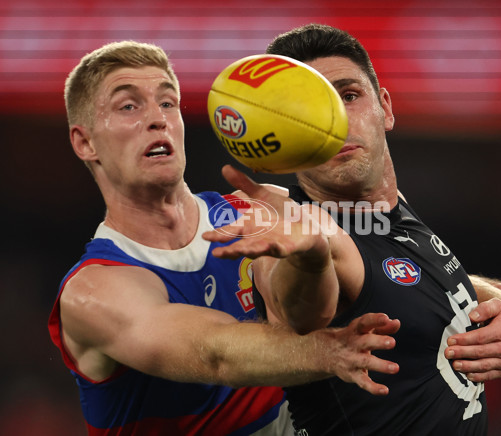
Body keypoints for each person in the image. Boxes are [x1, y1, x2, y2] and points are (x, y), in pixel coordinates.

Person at [203, 24, 501, 435]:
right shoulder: (295, 223)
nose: (332, 123)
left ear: (385, 109)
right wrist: (310, 258)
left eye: (348, 96)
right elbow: (298, 314)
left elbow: (393, 275)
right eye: (308, 112)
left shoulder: (386, 208)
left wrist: (495, 297)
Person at [47, 40, 404, 436]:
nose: (158, 119)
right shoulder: (94, 290)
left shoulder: (254, 212)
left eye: (168, 103)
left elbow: (393, 261)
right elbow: (215, 354)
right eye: (129, 106)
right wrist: (329, 351)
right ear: (85, 142)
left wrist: (483, 307)